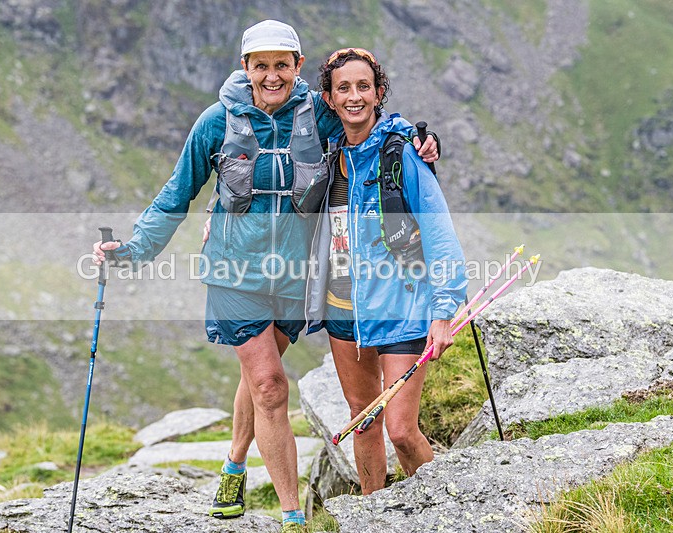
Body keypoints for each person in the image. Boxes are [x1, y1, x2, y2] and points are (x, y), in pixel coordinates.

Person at [92, 21, 440, 532]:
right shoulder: (216, 122)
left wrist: (419, 137)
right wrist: (133, 250)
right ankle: (292, 517)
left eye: (282, 64)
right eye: (261, 65)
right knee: (270, 386)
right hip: (234, 273)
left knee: (260, 374)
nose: (272, 75)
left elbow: (365, 115)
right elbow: (176, 193)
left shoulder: (318, 114)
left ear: (298, 67)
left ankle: (234, 461)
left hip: (294, 277)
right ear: (245, 68)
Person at [305, 47, 467, 495]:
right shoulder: (328, 157)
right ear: (330, 99)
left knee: (400, 429)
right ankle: (374, 514)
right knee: (364, 420)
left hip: (402, 306)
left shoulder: (405, 155)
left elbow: (439, 234)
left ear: (378, 94)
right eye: (344, 88)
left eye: (363, 86)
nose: (354, 96)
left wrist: (443, 311)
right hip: (344, 312)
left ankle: (441, 511)